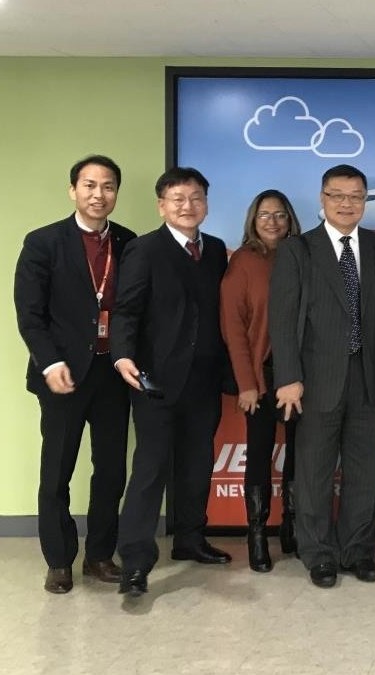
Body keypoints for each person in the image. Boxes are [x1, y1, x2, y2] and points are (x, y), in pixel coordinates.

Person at [14, 155, 135, 594]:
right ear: (73, 191)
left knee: (110, 471)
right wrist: (49, 361)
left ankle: (100, 555)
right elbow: (29, 314)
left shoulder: (128, 242)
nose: (98, 194)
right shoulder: (43, 242)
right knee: (57, 470)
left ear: (116, 193)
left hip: (111, 372)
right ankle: (59, 560)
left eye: (107, 186)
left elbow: (133, 309)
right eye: (89, 185)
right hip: (62, 374)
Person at [110, 167, 231, 597]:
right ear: (162, 205)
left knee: (198, 464)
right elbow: (126, 310)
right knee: (150, 469)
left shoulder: (215, 249)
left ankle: (190, 539)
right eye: (177, 198)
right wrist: (122, 354)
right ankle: (136, 562)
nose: (187, 206)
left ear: (206, 203)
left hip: (204, 380)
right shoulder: (144, 250)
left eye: (196, 197)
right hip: (155, 381)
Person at [269, 165, 375, 589]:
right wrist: (288, 376)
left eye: (355, 196)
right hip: (315, 377)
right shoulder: (298, 250)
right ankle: (317, 552)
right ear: (322, 198)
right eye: (337, 195)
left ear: (364, 200)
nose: (346, 204)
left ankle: (357, 550)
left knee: (364, 471)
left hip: (369, 376)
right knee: (315, 470)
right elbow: (282, 320)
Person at [220, 189, 302, 573]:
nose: (272, 222)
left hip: (304, 376)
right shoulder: (244, 262)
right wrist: (247, 383)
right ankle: (256, 534)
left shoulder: (304, 256)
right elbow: (233, 328)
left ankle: (293, 525)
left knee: (301, 456)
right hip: (263, 377)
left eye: (281, 215)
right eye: (265, 215)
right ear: (253, 220)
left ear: (291, 220)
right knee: (259, 455)